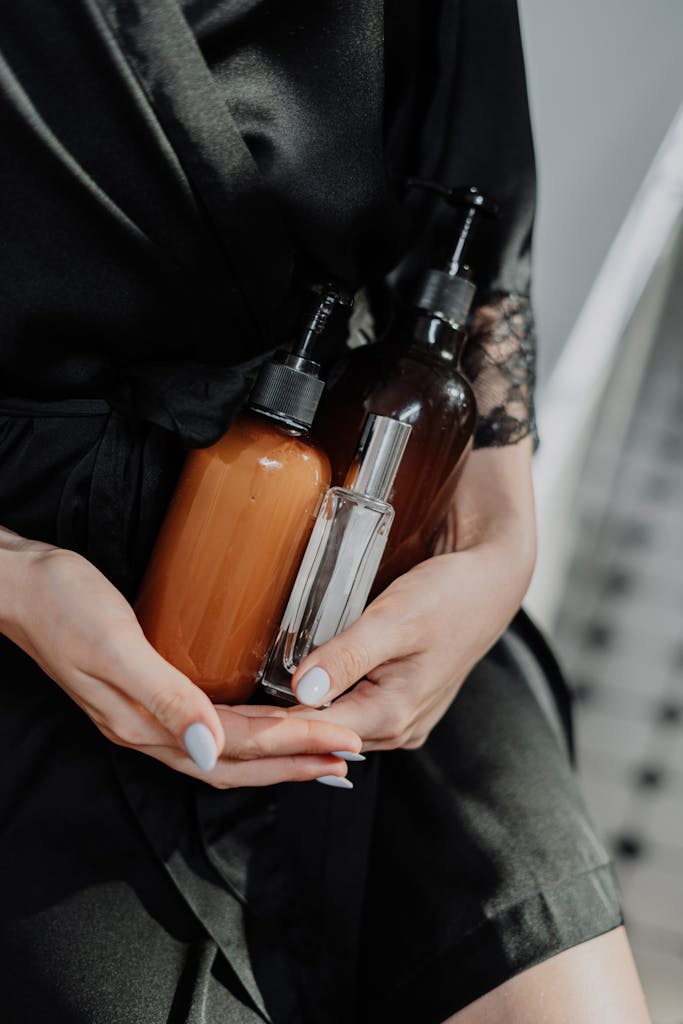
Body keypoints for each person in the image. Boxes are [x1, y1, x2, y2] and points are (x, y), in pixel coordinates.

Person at [0, 1, 650, 1021]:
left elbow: (474, 229)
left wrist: (496, 544)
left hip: (361, 514)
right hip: (34, 583)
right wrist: (14, 579)